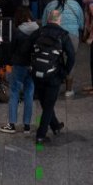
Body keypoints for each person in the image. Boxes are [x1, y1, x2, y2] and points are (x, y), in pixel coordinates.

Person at [30, 9, 75, 143]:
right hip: (54, 75)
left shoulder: (39, 32)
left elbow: (27, 47)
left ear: (48, 19)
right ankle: (40, 135)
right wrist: (65, 71)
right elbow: (71, 56)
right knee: (48, 105)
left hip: (37, 73)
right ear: (59, 20)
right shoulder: (63, 35)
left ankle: (55, 126)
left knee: (45, 102)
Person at [0, 6, 38, 134]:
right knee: (29, 93)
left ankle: (11, 124)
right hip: (32, 66)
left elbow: (11, 49)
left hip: (19, 65)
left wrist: (8, 62)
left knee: (14, 92)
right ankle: (27, 125)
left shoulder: (18, 31)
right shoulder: (38, 30)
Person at [41, 0, 84, 97]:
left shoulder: (51, 5)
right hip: (73, 36)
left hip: (55, 36)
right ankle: (69, 90)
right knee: (71, 59)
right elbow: (81, 24)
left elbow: (44, 23)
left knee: (54, 59)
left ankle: (54, 85)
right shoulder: (75, 5)